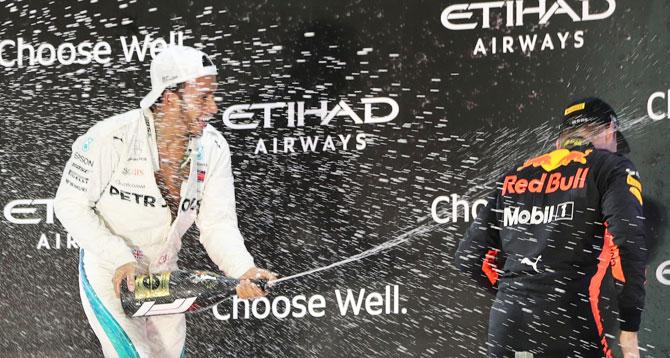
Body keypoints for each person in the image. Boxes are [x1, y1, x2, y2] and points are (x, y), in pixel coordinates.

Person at [54, 45, 276, 357]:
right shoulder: (112, 136)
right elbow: (69, 204)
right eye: (203, 98)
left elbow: (216, 224)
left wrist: (243, 269)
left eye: (213, 96)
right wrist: (119, 257)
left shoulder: (213, 147)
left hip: (163, 279)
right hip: (110, 273)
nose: (213, 108)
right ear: (170, 98)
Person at [455, 97, 647, 358]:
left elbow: (468, 257)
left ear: (559, 142)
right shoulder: (610, 166)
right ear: (609, 131)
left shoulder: (515, 174)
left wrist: (513, 292)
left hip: (507, 323)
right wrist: (629, 329)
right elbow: (627, 244)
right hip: (569, 321)